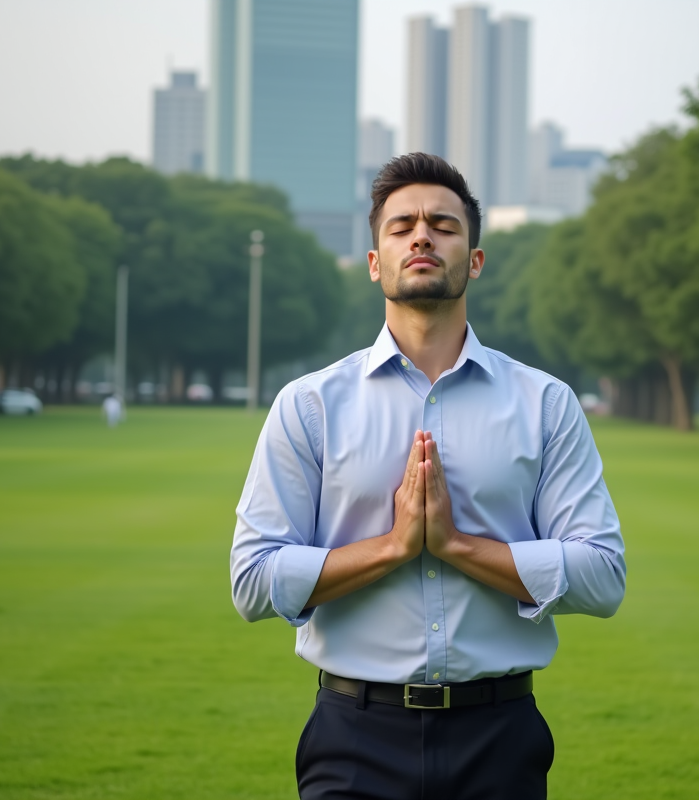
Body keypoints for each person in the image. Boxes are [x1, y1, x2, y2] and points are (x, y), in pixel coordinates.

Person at [230, 153, 626, 800]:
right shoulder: (309, 405)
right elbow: (251, 581)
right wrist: (391, 548)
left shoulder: (545, 403)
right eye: (401, 225)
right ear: (373, 262)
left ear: (474, 260)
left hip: (500, 738)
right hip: (352, 738)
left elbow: (604, 577)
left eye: (443, 225)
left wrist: (458, 548)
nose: (421, 236)